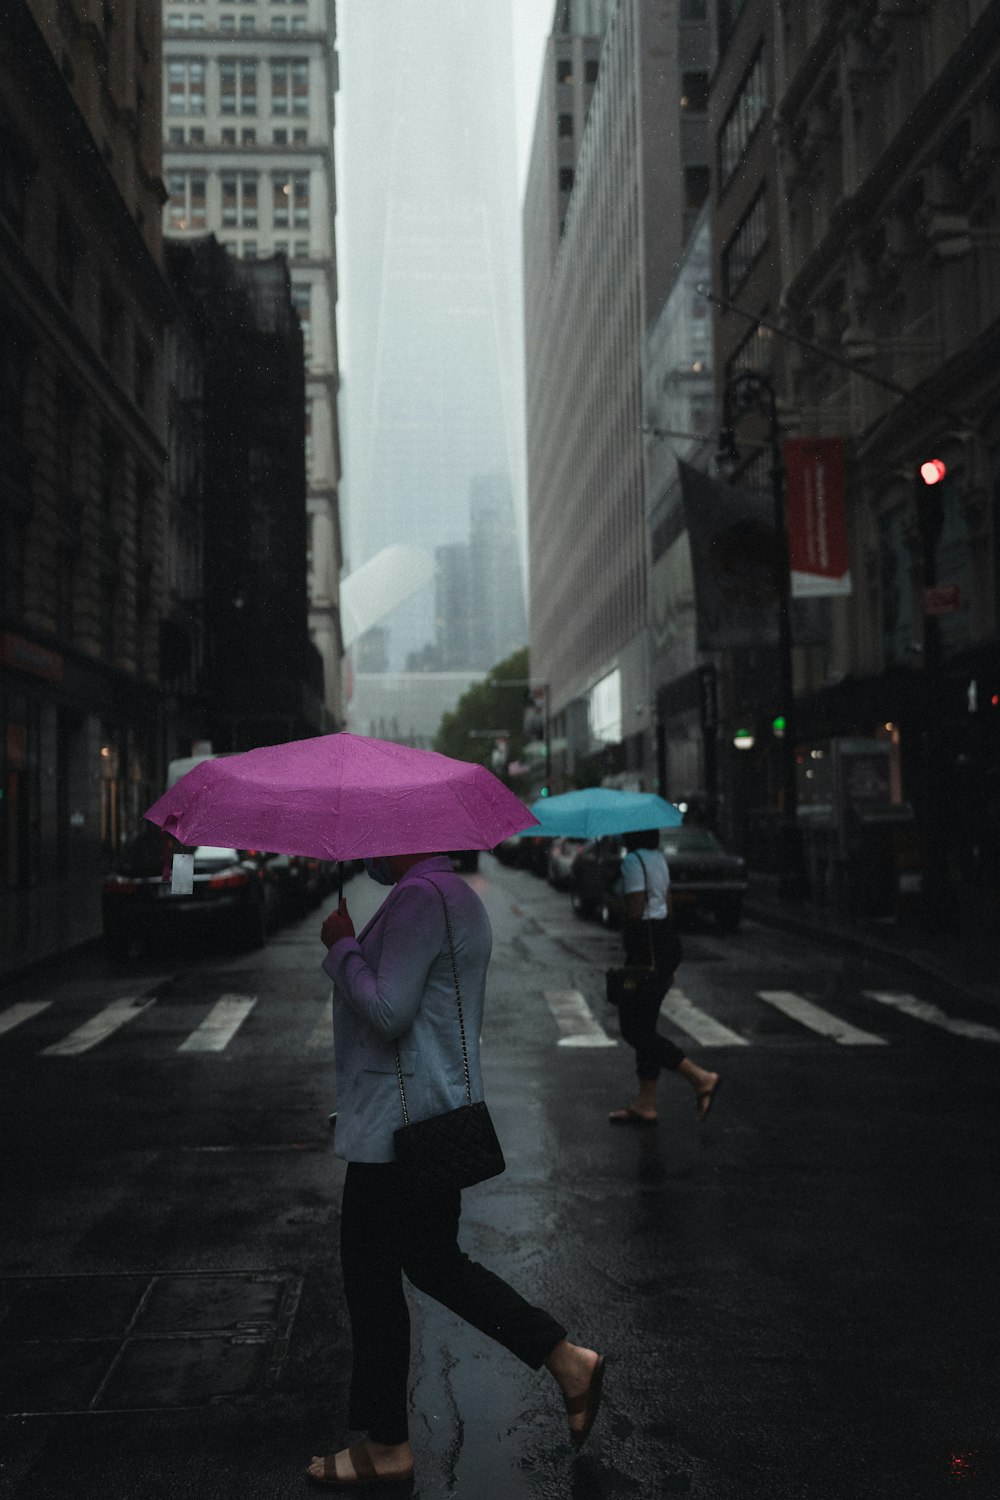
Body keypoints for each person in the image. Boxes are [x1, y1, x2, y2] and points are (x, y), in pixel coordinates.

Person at [308, 850, 605, 1488]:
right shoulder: (455, 897)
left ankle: (389, 1444)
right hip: (428, 1121)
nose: (362, 853)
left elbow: (390, 1011)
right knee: (435, 1263)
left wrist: (341, 949)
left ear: (404, 837)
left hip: (396, 1131)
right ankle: (564, 1359)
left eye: (373, 839)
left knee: (372, 1281)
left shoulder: (420, 900)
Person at [608, 829, 722, 1127]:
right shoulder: (658, 858)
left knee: (635, 1030)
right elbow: (667, 903)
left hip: (645, 946)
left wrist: (614, 903)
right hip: (665, 941)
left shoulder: (633, 861)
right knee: (645, 1023)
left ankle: (700, 1078)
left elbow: (635, 907)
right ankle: (646, 1104)